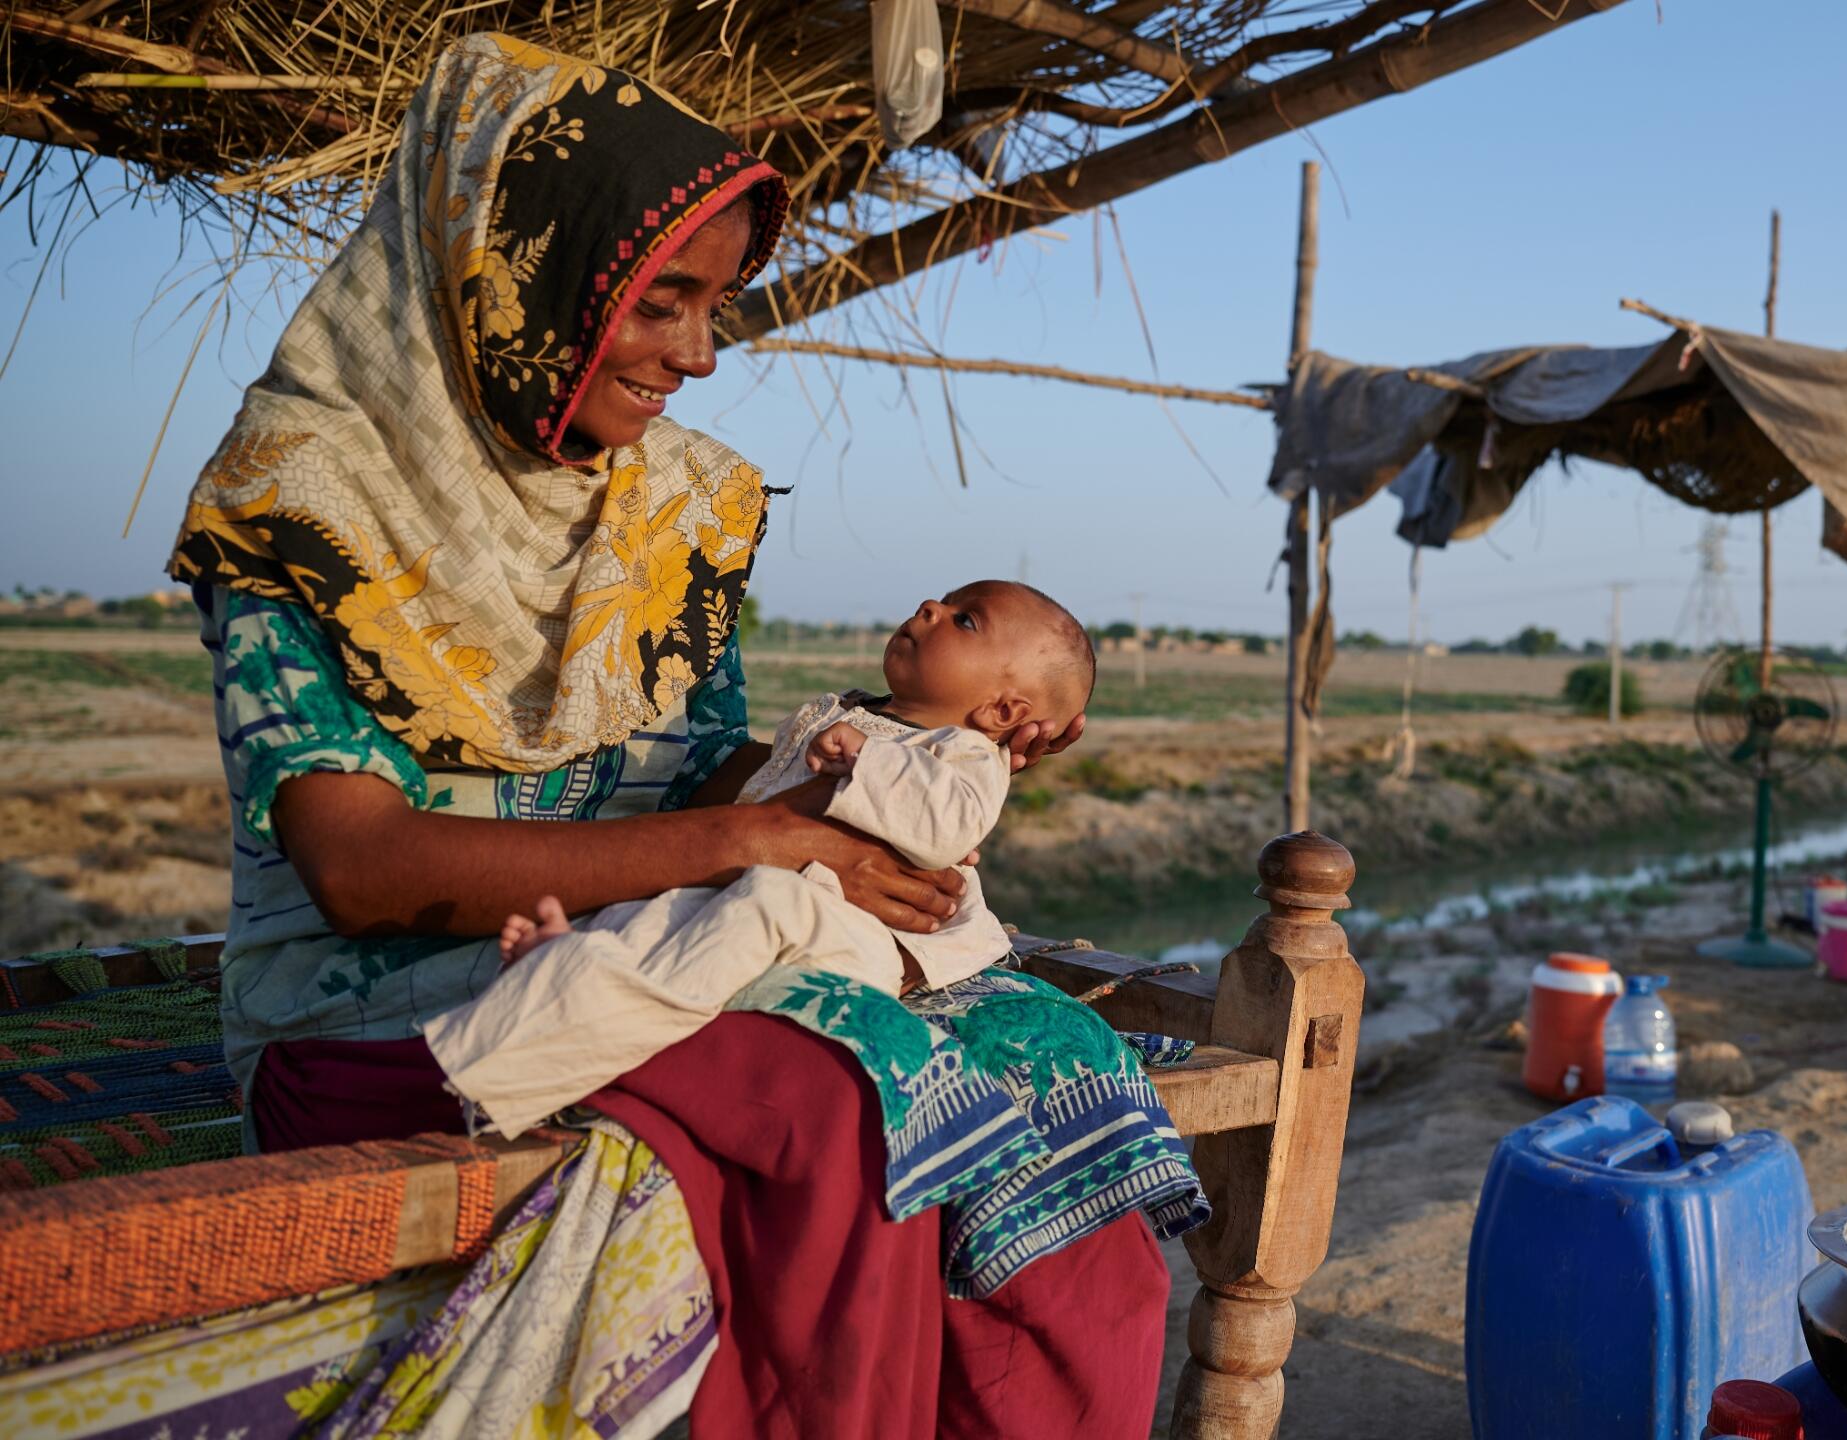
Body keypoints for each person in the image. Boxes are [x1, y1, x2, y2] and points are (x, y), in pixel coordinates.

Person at [168, 34, 1173, 1439]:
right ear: (517, 271)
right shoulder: (300, 502)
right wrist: (751, 840)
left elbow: (712, 769)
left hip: (649, 941)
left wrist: (906, 762)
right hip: (385, 1018)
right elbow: (360, 867)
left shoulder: (681, 510)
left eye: (719, 305)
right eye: (665, 301)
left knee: (1043, 1050)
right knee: (841, 1107)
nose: (701, 355)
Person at [423, 580, 1103, 1139]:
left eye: (966, 620)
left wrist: (866, 761)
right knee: (658, 913)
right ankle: (572, 973)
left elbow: (942, 830)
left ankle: (554, 1053)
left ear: (1005, 708)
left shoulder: (970, 755)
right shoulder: (857, 713)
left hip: (862, 933)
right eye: (942, 601)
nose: (930, 608)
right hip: (769, 885)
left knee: (747, 916)